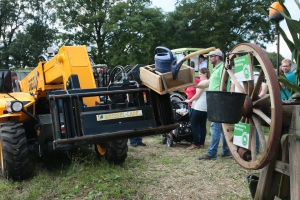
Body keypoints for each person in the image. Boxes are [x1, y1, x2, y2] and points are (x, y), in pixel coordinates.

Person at [195, 49, 231, 160]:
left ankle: (212, 153)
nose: (209, 58)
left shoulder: (223, 68)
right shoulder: (216, 69)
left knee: (215, 127)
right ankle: (226, 151)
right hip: (217, 99)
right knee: (222, 127)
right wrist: (194, 85)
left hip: (220, 99)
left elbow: (227, 82)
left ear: (217, 57)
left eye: (211, 56)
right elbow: (208, 83)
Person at [185, 68, 210, 149]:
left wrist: (189, 100)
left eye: (200, 74)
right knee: (202, 125)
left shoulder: (203, 82)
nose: (199, 76)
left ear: (205, 74)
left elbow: (197, 95)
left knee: (194, 124)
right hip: (205, 107)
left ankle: (195, 143)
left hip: (199, 107)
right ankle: (201, 143)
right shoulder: (209, 81)